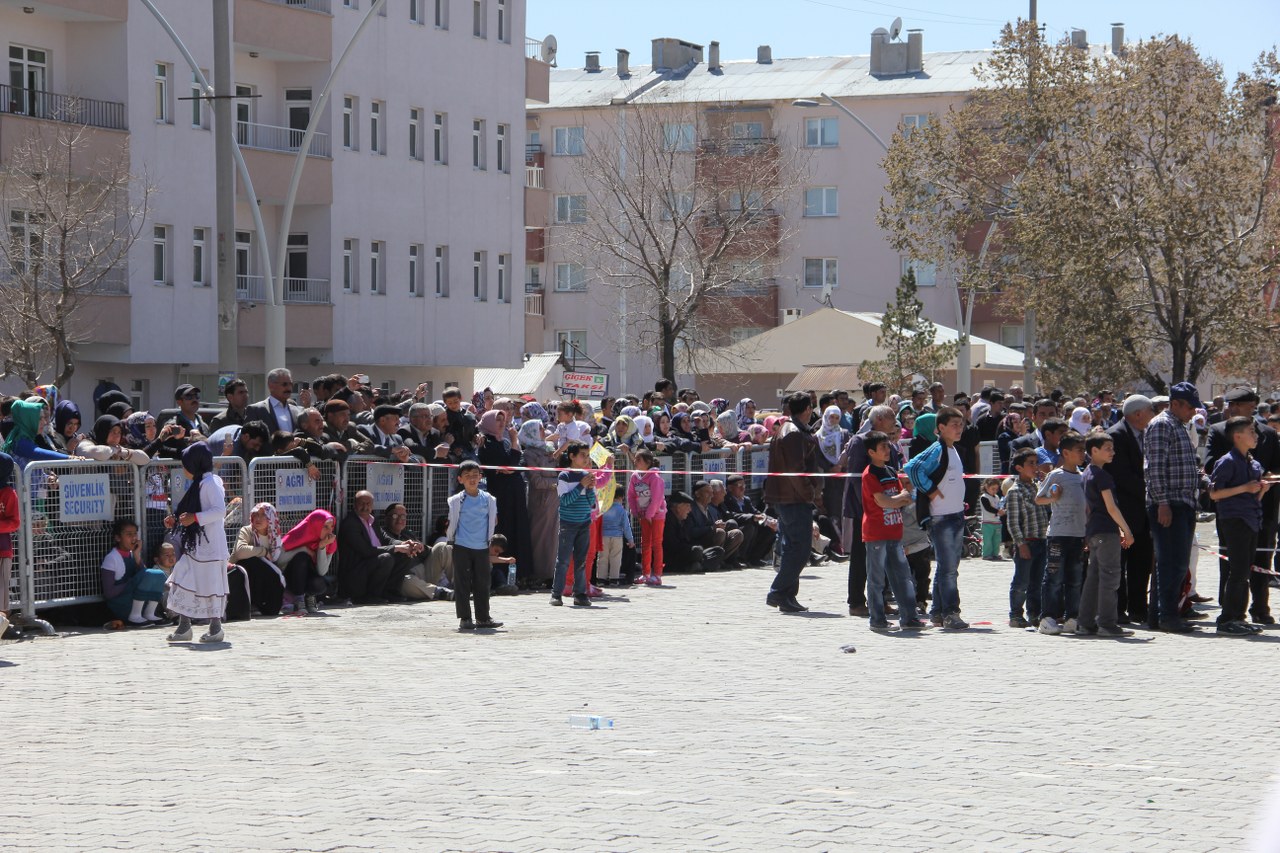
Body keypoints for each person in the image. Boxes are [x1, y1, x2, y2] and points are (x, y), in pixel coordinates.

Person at [1204, 387, 1280, 624]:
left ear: (1253, 405)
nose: (1233, 409)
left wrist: (1265, 480)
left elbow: (1275, 468)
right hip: (1233, 511)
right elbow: (1210, 467)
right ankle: (1230, 612)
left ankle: (1260, 608)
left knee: (1261, 560)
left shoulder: (1268, 433)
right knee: (1233, 564)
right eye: (1231, 405)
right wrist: (1243, 482)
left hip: (1261, 508)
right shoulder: (1219, 432)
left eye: (1240, 405)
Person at [1144, 382, 1204, 633]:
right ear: (1176, 404)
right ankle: (1167, 616)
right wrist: (1163, 503)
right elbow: (1154, 468)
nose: (1193, 412)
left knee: (1173, 563)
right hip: (1169, 504)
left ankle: (1160, 615)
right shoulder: (1161, 425)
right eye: (1189, 407)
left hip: (1184, 503)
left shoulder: (1179, 426)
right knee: (1173, 564)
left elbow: (1187, 466)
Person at [905, 406, 969, 630]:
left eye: (961, 424)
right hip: (941, 518)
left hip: (955, 515)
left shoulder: (953, 449)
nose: (959, 428)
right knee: (949, 568)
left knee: (947, 567)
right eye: (954, 425)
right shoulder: (937, 449)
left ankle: (938, 612)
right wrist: (930, 490)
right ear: (940, 428)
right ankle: (951, 612)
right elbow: (912, 467)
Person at [860, 431, 928, 633]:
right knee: (877, 579)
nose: (887, 450)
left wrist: (896, 500)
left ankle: (909, 617)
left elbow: (905, 497)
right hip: (876, 534)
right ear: (871, 452)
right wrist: (897, 499)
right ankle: (877, 618)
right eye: (882, 447)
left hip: (895, 533)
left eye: (887, 446)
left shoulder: (891, 471)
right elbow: (883, 501)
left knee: (903, 577)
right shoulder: (870, 474)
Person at [1207, 416, 1269, 635]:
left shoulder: (1252, 463)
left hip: (1252, 519)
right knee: (1238, 571)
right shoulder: (1227, 461)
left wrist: (1260, 490)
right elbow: (1214, 493)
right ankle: (1227, 619)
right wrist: (1244, 487)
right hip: (1234, 521)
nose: (1256, 436)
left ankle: (1239, 617)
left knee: (1245, 572)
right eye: (1251, 431)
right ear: (1238, 436)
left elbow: (1251, 498)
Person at [164, 443, 230, 643]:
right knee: (184, 580)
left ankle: (215, 628)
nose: (183, 468)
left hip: (211, 548)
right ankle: (184, 627)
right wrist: (176, 519)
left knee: (211, 587)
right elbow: (190, 509)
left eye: (186, 464)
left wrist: (195, 518)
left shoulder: (210, 483)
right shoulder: (200, 483)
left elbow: (220, 511)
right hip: (197, 545)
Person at [764, 392, 822, 614]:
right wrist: (810, 493)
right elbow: (796, 471)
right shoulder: (794, 433)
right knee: (800, 548)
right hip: (793, 498)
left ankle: (787, 595)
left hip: (788, 497)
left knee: (792, 548)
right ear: (807, 408)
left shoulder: (790, 429)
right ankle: (778, 590)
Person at [1077, 433, 1136, 636]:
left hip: (1093, 531)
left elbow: (1086, 509)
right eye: (1107, 448)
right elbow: (1111, 508)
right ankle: (1107, 624)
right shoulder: (1102, 476)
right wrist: (1126, 530)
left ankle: (1085, 622)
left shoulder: (1086, 473)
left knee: (1093, 578)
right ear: (1094, 451)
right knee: (1110, 578)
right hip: (1106, 531)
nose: (1112, 452)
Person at [1105, 395, 1155, 624]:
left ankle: (1138, 607)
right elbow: (1121, 475)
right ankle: (1118, 608)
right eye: (1150, 411)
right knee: (1120, 561)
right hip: (1123, 510)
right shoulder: (1117, 435)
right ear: (1138, 414)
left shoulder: (1146, 433)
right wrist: (1149, 489)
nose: (1153, 416)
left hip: (1142, 512)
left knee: (1142, 561)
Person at [1034, 431, 1088, 636]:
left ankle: (1072, 617)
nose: (1083, 454)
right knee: (1054, 577)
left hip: (1078, 534)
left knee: (1075, 578)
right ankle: (1047, 617)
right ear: (1065, 452)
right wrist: (1054, 497)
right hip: (1058, 534)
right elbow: (1039, 499)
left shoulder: (1083, 476)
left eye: (1084, 450)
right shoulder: (1056, 475)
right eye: (1079, 450)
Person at [476, 409, 531, 591]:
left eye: (503, 419)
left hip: (515, 494)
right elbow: (509, 463)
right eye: (497, 420)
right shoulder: (487, 443)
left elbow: (518, 463)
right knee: (504, 531)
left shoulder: (504, 441)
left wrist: (513, 464)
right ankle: (501, 576)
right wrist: (515, 441)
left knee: (518, 531)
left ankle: (521, 575)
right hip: (501, 495)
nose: (501, 423)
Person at [446, 460, 502, 629]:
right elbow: (452, 522)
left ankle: (483, 618)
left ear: (480, 478)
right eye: (467, 476)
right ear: (460, 479)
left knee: (483, 583)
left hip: (482, 547)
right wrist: (451, 539)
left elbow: (493, 520)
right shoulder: (456, 500)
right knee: (462, 583)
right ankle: (465, 618)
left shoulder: (489, 499)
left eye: (475, 475)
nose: (472, 479)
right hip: (462, 545)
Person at [1004, 448, 1048, 629]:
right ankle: (1015, 614)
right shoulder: (1015, 491)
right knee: (1021, 581)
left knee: (1037, 581)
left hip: (1041, 540)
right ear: (1019, 468)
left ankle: (1034, 613)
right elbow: (1013, 522)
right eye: (1030, 463)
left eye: (1035, 462)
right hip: (1027, 542)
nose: (1035, 466)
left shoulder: (1037, 486)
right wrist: (1020, 544)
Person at [338, 490, 406, 605]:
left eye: (368, 504)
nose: (365, 507)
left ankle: (389, 592)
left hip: (370, 566)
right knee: (386, 558)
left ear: (372, 505)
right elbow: (366, 551)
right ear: (355, 505)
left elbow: (386, 538)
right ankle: (369, 596)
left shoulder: (373, 520)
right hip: (355, 575)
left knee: (405, 555)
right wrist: (395, 548)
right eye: (362, 503)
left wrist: (404, 544)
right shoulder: (350, 524)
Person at [100, 519, 167, 626]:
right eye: (129, 534)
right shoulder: (112, 558)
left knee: (158, 574)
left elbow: (146, 576)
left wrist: (136, 555)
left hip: (135, 601)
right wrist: (132, 582)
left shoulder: (133, 553)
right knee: (149, 574)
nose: (134, 538)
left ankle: (149, 613)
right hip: (121, 605)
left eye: (135, 533)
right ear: (118, 538)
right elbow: (109, 593)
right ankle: (134, 616)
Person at [553, 442, 595, 607]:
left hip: (584, 523)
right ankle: (556, 594)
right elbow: (565, 501)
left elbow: (591, 503)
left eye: (587, 455)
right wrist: (581, 486)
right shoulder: (564, 476)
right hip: (567, 524)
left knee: (581, 560)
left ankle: (580, 594)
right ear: (572, 456)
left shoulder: (586, 474)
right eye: (582, 455)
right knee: (563, 560)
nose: (586, 458)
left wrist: (590, 488)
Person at [231, 502, 286, 617]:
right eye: (256, 515)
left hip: (265, 577)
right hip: (241, 574)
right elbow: (240, 552)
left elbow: (276, 562)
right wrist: (263, 551)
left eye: (263, 515)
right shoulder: (247, 531)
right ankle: (252, 603)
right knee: (253, 561)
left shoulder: (274, 536)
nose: (258, 518)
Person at [278, 509, 337, 615]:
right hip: (289, 579)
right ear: (316, 525)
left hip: (308, 578)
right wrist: (304, 549)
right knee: (302, 558)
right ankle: (298, 600)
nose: (329, 531)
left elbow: (322, 571)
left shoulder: (330, 542)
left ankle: (309, 597)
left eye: (331, 527)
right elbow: (279, 560)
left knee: (320, 584)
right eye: (325, 527)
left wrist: (322, 547)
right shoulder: (298, 534)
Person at [627, 448, 667, 586]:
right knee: (645, 544)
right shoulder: (634, 476)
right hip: (643, 515)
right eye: (635, 459)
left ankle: (657, 575)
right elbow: (631, 495)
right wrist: (635, 510)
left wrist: (650, 514)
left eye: (639, 459)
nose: (635, 461)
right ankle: (646, 573)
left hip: (657, 515)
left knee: (656, 543)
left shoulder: (655, 477)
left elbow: (656, 498)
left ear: (648, 462)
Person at [596, 483, 634, 586]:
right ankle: (614, 579)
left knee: (603, 558)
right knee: (616, 558)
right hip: (617, 537)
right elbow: (626, 526)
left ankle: (601, 579)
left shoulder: (603, 508)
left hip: (603, 536)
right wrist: (630, 539)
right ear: (621, 497)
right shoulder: (622, 510)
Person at [245, 368, 302, 434]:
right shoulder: (256, 410)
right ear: (271, 386)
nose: (289, 388)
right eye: (285, 384)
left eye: (291, 384)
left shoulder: (297, 411)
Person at [979, 478, 1005, 560]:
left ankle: (995, 554)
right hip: (987, 523)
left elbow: (999, 506)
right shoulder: (984, 497)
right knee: (988, 540)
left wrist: (1002, 510)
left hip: (997, 522)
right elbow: (988, 508)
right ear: (986, 487)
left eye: (996, 489)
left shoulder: (997, 497)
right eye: (992, 489)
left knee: (996, 540)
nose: (995, 491)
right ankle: (986, 554)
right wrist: (998, 511)